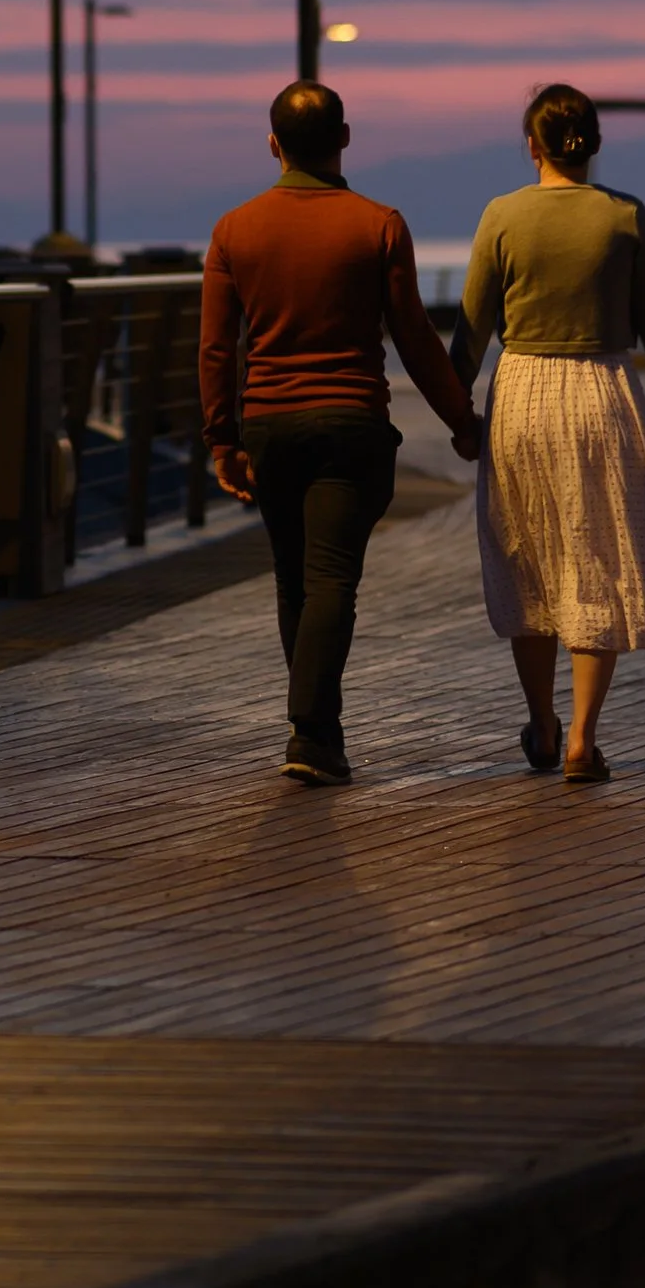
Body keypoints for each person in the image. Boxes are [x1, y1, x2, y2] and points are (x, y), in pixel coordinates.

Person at [200, 80, 481, 783]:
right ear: (344, 138)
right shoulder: (378, 223)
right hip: (352, 422)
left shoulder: (234, 228)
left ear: (274, 144)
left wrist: (220, 438)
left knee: (294, 579)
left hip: (269, 424)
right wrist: (461, 420)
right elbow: (413, 336)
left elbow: (214, 346)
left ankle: (314, 731)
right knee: (332, 579)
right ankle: (312, 734)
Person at [450, 80, 645, 783]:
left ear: (533, 146)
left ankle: (541, 717)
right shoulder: (625, 216)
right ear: (592, 145)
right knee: (599, 562)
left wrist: (456, 414)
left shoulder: (501, 215)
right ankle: (583, 739)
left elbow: (469, 329)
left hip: (523, 393)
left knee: (527, 560)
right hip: (600, 392)